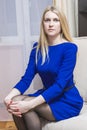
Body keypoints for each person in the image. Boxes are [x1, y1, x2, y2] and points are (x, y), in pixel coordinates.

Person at [4, 5, 83, 130]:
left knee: (24, 105)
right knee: (15, 101)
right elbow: (26, 79)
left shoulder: (69, 48)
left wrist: (30, 104)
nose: (51, 24)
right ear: (43, 24)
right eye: (47, 20)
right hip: (46, 95)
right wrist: (8, 97)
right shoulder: (37, 49)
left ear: (61, 24)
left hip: (66, 99)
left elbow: (60, 85)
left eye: (55, 20)